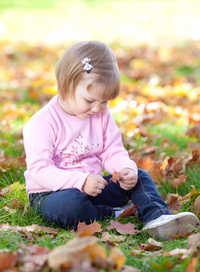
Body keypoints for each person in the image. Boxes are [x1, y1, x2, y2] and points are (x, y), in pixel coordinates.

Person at [23, 40, 199, 240]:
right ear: (65, 85)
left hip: (94, 186)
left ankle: (157, 217)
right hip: (52, 193)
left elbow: (111, 150)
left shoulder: (99, 114)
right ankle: (111, 213)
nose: (97, 109)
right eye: (90, 101)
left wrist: (125, 169)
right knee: (71, 205)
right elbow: (40, 170)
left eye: (104, 102)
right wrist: (80, 181)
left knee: (140, 176)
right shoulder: (43, 123)